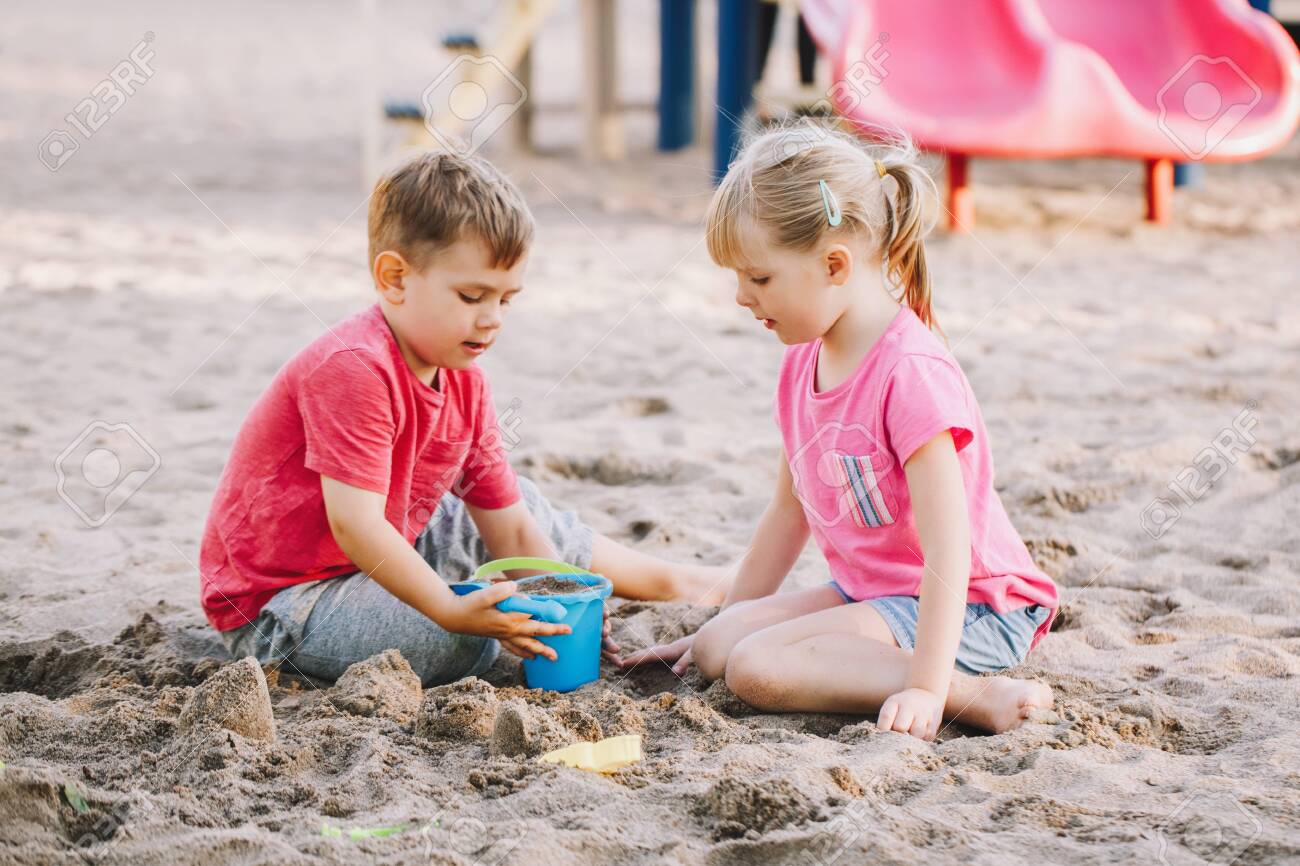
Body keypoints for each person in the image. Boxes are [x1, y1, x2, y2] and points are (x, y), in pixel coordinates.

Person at [199, 150, 727, 686]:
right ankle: (457, 611)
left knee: (524, 509)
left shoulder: (466, 380)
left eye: (506, 299)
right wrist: (452, 610)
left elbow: (514, 529)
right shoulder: (355, 368)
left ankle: (679, 581)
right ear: (395, 278)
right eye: (472, 295)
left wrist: (560, 596)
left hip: (391, 548)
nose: (492, 318)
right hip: (286, 603)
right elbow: (355, 525)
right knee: (465, 643)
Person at [621, 124, 1058, 740]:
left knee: (756, 668)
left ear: (834, 264)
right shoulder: (802, 360)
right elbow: (785, 512)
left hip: (973, 608)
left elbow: (948, 552)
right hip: (873, 595)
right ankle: (800, 648)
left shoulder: (910, 374)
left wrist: (929, 690)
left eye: (760, 278)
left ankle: (977, 696)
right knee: (721, 645)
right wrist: (726, 621)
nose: (742, 297)